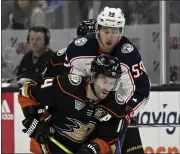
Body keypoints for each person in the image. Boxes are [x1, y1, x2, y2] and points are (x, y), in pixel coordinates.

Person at [42, 6, 151, 154]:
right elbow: (70, 87)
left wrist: (125, 112)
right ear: (97, 30)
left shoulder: (129, 55)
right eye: (106, 31)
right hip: (85, 115)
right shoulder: (77, 50)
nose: (109, 37)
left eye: (115, 32)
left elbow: (142, 89)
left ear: (121, 32)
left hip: (114, 112)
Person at [18, 54, 128, 154]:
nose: (107, 88)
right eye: (104, 80)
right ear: (93, 76)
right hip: (44, 149)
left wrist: (91, 149)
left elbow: (108, 141)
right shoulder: (67, 86)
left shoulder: (115, 105)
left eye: (112, 82)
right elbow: (27, 91)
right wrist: (33, 120)